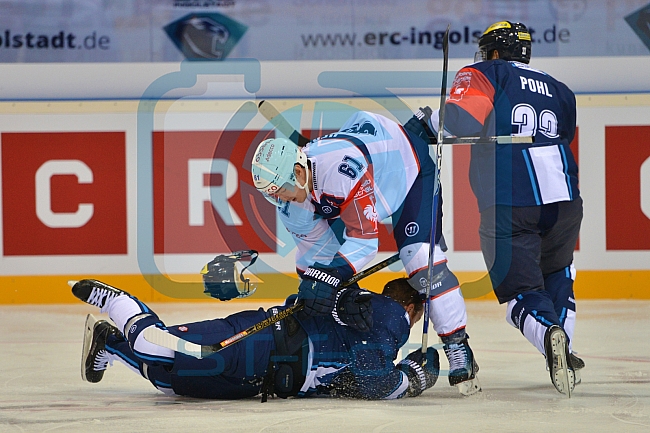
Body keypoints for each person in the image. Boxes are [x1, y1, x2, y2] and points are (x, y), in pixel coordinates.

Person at [251, 109, 479, 393]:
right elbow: (318, 256)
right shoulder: (290, 205)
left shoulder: (341, 170)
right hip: (370, 169)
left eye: (280, 189)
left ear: (298, 172)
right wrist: (331, 296)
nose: (279, 199)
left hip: (408, 173)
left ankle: (458, 346)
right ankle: (421, 124)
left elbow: (365, 239)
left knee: (420, 259)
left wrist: (334, 275)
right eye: (271, 194)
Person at [422, 21, 584, 395]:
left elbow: (460, 121)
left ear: (494, 52)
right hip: (565, 201)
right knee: (558, 270)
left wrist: (425, 124)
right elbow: (563, 135)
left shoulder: (485, 72)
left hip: (509, 201)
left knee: (519, 292)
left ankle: (548, 334)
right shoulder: (561, 90)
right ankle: (564, 343)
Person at [71, 277, 439, 400]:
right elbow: (377, 383)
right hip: (264, 345)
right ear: (410, 307)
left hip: (264, 376)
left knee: (169, 382)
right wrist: (417, 373)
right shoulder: (391, 313)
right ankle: (117, 302)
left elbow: (363, 373)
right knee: (156, 346)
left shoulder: (360, 318)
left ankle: (111, 343)